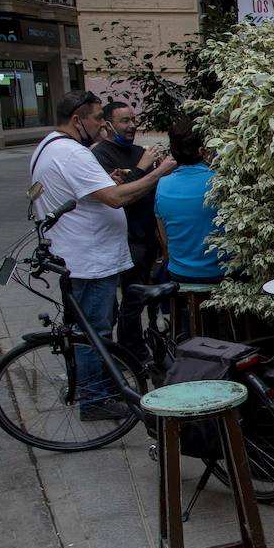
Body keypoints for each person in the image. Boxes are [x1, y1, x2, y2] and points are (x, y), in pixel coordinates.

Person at [30, 90, 175, 421]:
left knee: (92, 328)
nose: (103, 126)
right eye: (98, 118)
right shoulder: (72, 154)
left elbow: (84, 192)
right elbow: (114, 199)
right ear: (78, 120)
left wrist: (103, 183)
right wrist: (157, 173)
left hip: (77, 253)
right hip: (89, 259)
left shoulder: (48, 147)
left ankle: (100, 389)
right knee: (94, 332)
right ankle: (95, 400)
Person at [92, 101, 167, 360]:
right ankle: (131, 352)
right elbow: (119, 196)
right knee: (130, 300)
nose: (131, 125)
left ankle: (146, 345)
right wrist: (142, 168)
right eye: (124, 121)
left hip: (149, 236)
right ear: (107, 125)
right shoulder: (101, 155)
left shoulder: (139, 151)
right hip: (125, 239)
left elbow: (153, 191)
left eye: (133, 119)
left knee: (148, 296)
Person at [154, 117, 225, 284]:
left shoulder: (162, 184)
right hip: (220, 271)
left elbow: (164, 237)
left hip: (180, 271)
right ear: (203, 150)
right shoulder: (220, 182)